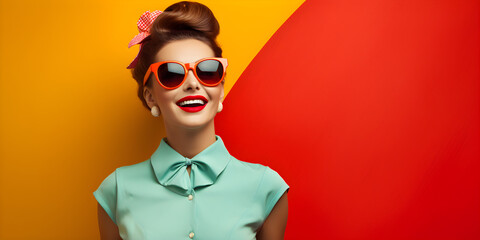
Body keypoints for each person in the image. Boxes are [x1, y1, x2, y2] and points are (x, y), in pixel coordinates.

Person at [93, 1, 289, 239]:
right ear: (150, 96)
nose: (193, 83)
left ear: (221, 89)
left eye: (207, 70)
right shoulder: (115, 191)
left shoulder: (266, 187)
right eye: (172, 73)